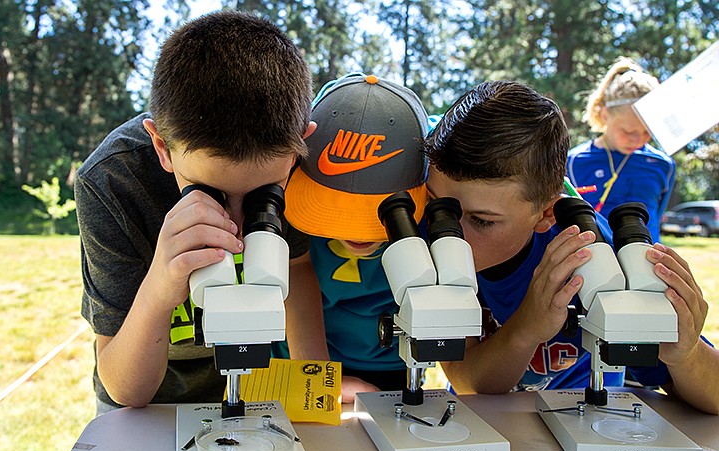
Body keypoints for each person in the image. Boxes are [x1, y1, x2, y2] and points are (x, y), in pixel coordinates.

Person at [74, 11, 316, 414]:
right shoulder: (114, 181)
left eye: (263, 197)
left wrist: (315, 379)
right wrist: (160, 284)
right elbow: (124, 388)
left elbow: (298, 267)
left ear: (299, 147)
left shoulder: (301, 168)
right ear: (162, 147)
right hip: (146, 398)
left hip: (257, 383)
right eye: (210, 194)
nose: (236, 228)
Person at [428, 80, 719, 415]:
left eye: (481, 221)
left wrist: (688, 354)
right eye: (439, 208)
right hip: (487, 424)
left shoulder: (595, 255)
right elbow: (467, 382)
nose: (448, 235)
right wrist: (527, 327)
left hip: (587, 420)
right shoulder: (431, 243)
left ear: (546, 213)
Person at [280, 73, 430, 402]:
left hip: (394, 362)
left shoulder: (436, 203)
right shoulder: (284, 197)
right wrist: (318, 377)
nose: (354, 232)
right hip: (296, 353)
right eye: (335, 211)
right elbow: (295, 271)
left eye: (372, 215)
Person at [567, 57, 675, 243]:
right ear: (605, 115)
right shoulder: (574, 161)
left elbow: (656, 215)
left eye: (647, 132)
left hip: (647, 264)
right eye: (628, 131)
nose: (638, 139)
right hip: (593, 262)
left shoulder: (663, 165)